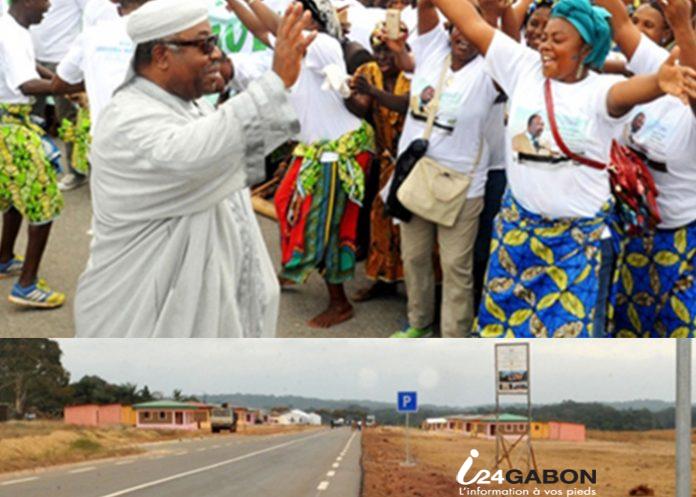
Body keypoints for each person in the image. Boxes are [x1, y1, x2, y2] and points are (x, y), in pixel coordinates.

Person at [430, 0, 696, 337]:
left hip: (576, 249)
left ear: (585, 49)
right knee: (503, 343)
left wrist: (660, 81)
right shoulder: (521, 67)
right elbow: (468, 20)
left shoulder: (600, 92)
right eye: (544, 37)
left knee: (568, 353)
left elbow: (628, 92)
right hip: (517, 240)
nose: (544, 45)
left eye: (558, 40)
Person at [73, 0, 317, 336]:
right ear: (161, 56)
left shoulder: (193, 106)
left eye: (214, 42)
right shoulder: (127, 120)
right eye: (204, 44)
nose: (216, 54)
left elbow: (226, 148)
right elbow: (195, 155)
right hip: (148, 320)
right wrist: (276, 81)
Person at [244, 0, 376, 328]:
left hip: (342, 151)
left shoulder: (323, 45)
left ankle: (339, 302)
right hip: (314, 150)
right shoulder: (293, 49)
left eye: (298, 13)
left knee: (325, 225)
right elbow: (259, 29)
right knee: (286, 201)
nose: (289, 18)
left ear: (315, 22)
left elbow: (273, 26)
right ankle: (295, 266)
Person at [389, 0, 500, 338]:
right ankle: (419, 323)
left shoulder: (489, 70)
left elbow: (495, 27)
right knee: (416, 257)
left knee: (456, 267)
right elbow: (426, 6)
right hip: (418, 176)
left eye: (472, 30)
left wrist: (492, 12)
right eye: (458, 27)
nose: (463, 36)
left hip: (463, 186)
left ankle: (454, 338)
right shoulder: (433, 49)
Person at [597, 0, 696, 337]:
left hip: (679, 239)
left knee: (676, 331)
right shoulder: (664, 65)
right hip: (631, 230)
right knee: (625, 323)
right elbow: (621, 25)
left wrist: (682, 24)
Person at [0, 0, 76, 308]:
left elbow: (30, 66)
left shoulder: (11, 28)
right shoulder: (12, 34)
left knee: (18, 195)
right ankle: (27, 285)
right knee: (44, 199)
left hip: (9, 124)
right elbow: (26, 83)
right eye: (44, 0)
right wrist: (71, 86)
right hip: (12, 128)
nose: (48, 6)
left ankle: (4, 258)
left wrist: (61, 83)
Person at [345, 22, 410, 302]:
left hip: (412, 162)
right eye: (377, 51)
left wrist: (373, 92)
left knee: (412, 227)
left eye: (388, 51)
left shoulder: (414, 73)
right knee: (381, 221)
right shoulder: (368, 72)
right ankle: (383, 280)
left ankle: (423, 288)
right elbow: (361, 108)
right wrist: (346, 93)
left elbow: (407, 104)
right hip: (384, 161)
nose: (382, 57)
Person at [52, 0, 150, 130]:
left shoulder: (92, 35)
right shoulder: (173, 38)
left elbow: (59, 84)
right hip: (155, 139)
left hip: (104, 139)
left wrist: (96, 81)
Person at [29, 0, 90, 191]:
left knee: (68, 119)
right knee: (29, 117)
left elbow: (89, 16)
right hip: (32, 58)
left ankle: (76, 171)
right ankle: (33, 169)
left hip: (63, 58)